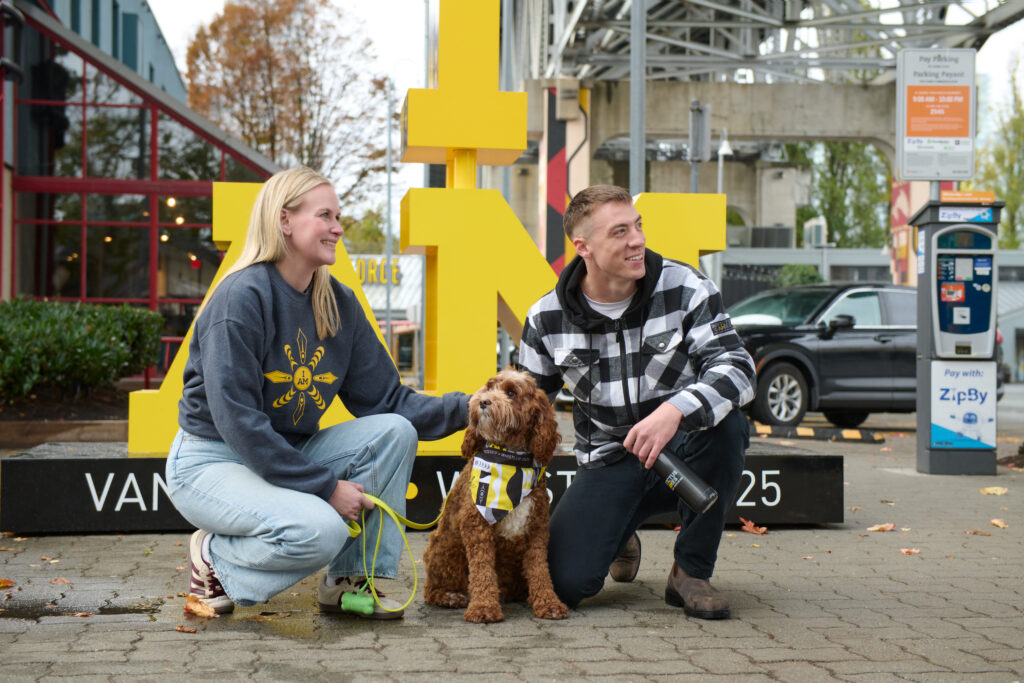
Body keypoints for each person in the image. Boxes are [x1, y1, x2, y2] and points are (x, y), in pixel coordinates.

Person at [166, 167, 469, 619]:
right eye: (325, 215)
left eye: (338, 216)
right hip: (212, 457)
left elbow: (389, 402)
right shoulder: (241, 298)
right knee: (321, 530)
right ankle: (215, 561)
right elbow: (238, 421)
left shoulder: (337, 302)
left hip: (284, 452)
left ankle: (346, 580)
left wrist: (475, 407)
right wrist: (326, 488)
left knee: (394, 431)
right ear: (284, 220)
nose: (338, 227)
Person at [518, 184, 755, 619]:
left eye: (639, 226)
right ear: (583, 247)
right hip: (610, 459)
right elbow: (526, 411)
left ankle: (690, 572)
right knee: (564, 585)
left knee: (729, 426)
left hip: (684, 448)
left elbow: (737, 367)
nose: (638, 240)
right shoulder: (545, 318)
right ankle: (619, 531)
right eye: (620, 231)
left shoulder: (686, 287)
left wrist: (676, 409)